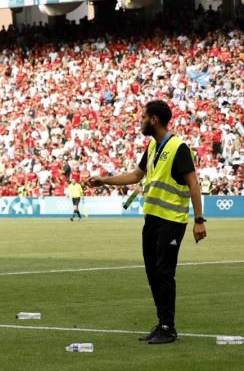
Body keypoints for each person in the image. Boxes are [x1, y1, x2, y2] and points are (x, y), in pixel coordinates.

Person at [87, 100, 207, 345]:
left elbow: (193, 183)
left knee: (164, 273)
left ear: (154, 119)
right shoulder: (153, 147)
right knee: (153, 273)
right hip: (152, 220)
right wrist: (104, 180)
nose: (140, 121)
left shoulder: (178, 147)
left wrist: (199, 220)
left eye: (143, 117)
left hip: (171, 221)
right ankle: (161, 323)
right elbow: (136, 175)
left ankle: (168, 327)